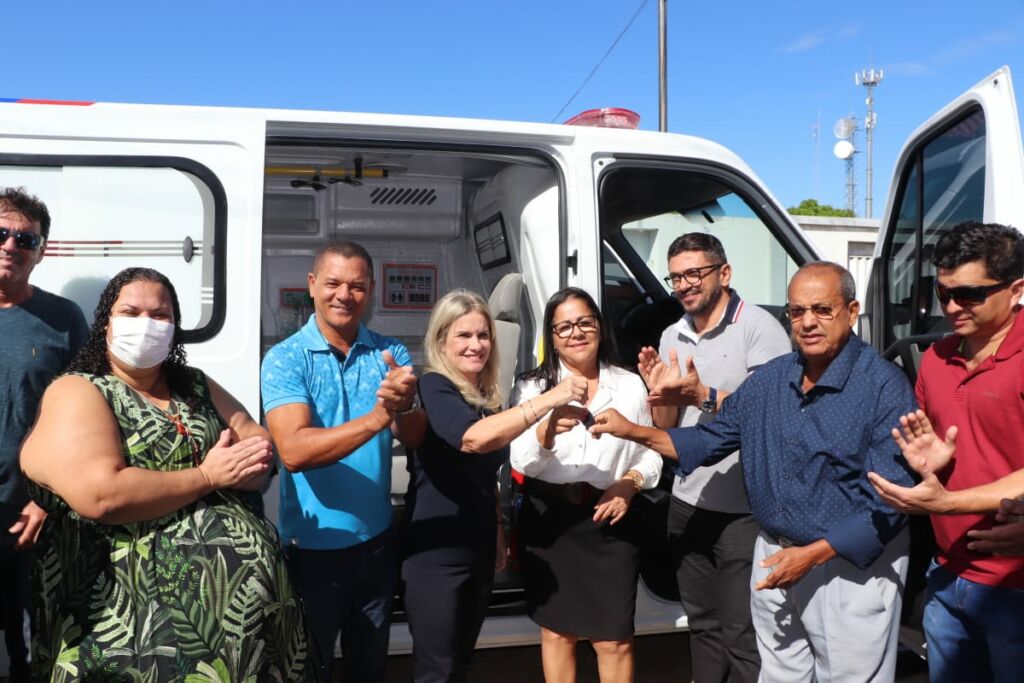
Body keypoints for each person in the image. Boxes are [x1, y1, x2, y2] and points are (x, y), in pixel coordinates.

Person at [591, 262, 917, 682]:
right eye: (797, 312)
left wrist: (812, 555)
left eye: (822, 309)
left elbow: (892, 500)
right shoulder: (773, 379)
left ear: (852, 312)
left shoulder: (884, 387)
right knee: (780, 675)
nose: (808, 322)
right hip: (774, 557)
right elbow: (707, 441)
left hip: (846, 566)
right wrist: (632, 429)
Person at [20, 267, 310, 680]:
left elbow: (258, 442)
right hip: (129, 631)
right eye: (131, 312)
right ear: (105, 323)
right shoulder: (79, 391)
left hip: (237, 631)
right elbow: (103, 495)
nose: (146, 324)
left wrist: (252, 465)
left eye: (161, 315)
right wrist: (209, 476)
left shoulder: (193, 384)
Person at [403, 289, 587, 683]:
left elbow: (485, 476)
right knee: (436, 670)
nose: (476, 345)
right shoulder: (434, 386)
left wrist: (499, 529)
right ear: (441, 341)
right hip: (437, 557)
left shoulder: (486, 396)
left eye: (483, 335)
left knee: (459, 662)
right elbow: (471, 439)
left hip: (478, 548)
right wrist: (550, 399)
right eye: (463, 335)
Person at [867, 222, 1024, 682]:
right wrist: (927, 461)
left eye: (970, 294)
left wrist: (948, 502)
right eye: (942, 293)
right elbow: (940, 447)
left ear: (1017, 289)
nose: (952, 307)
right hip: (947, 579)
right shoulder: (936, 358)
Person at [261, 240, 422, 682]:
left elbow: (414, 437)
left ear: (369, 291)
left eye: (356, 286)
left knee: (369, 668)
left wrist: (405, 407)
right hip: (313, 551)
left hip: (376, 545)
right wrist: (377, 418)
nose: (343, 295)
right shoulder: (284, 359)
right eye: (332, 283)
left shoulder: (390, 353)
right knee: (310, 668)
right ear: (312, 285)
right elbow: (293, 452)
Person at [636, 233, 789, 683]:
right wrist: (661, 392)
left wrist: (701, 394)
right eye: (676, 277)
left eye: (694, 274)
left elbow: (768, 415)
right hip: (688, 502)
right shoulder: (671, 333)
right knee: (701, 626)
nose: (684, 285)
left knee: (743, 634)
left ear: (724, 273)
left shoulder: (760, 330)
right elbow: (666, 424)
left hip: (744, 511)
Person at [510, 287, 662, 683]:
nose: (575, 333)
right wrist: (544, 433)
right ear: (551, 336)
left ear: (599, 326)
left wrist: (630, 483)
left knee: (614, 640)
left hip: (611, 520)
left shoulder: (629, 384)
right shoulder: (532, 388)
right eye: (564, 327)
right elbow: (519, 460)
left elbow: (650, 450)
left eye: (584, 322)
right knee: (558, 634)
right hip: (551, 523)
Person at [0, 187, 87, 681]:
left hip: (29, 514)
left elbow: (80, 421)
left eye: (24, 238)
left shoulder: (63, 320)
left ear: (40, 251)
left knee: (31, 648)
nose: (11, 245)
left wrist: (46, 498)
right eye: (1, 234)